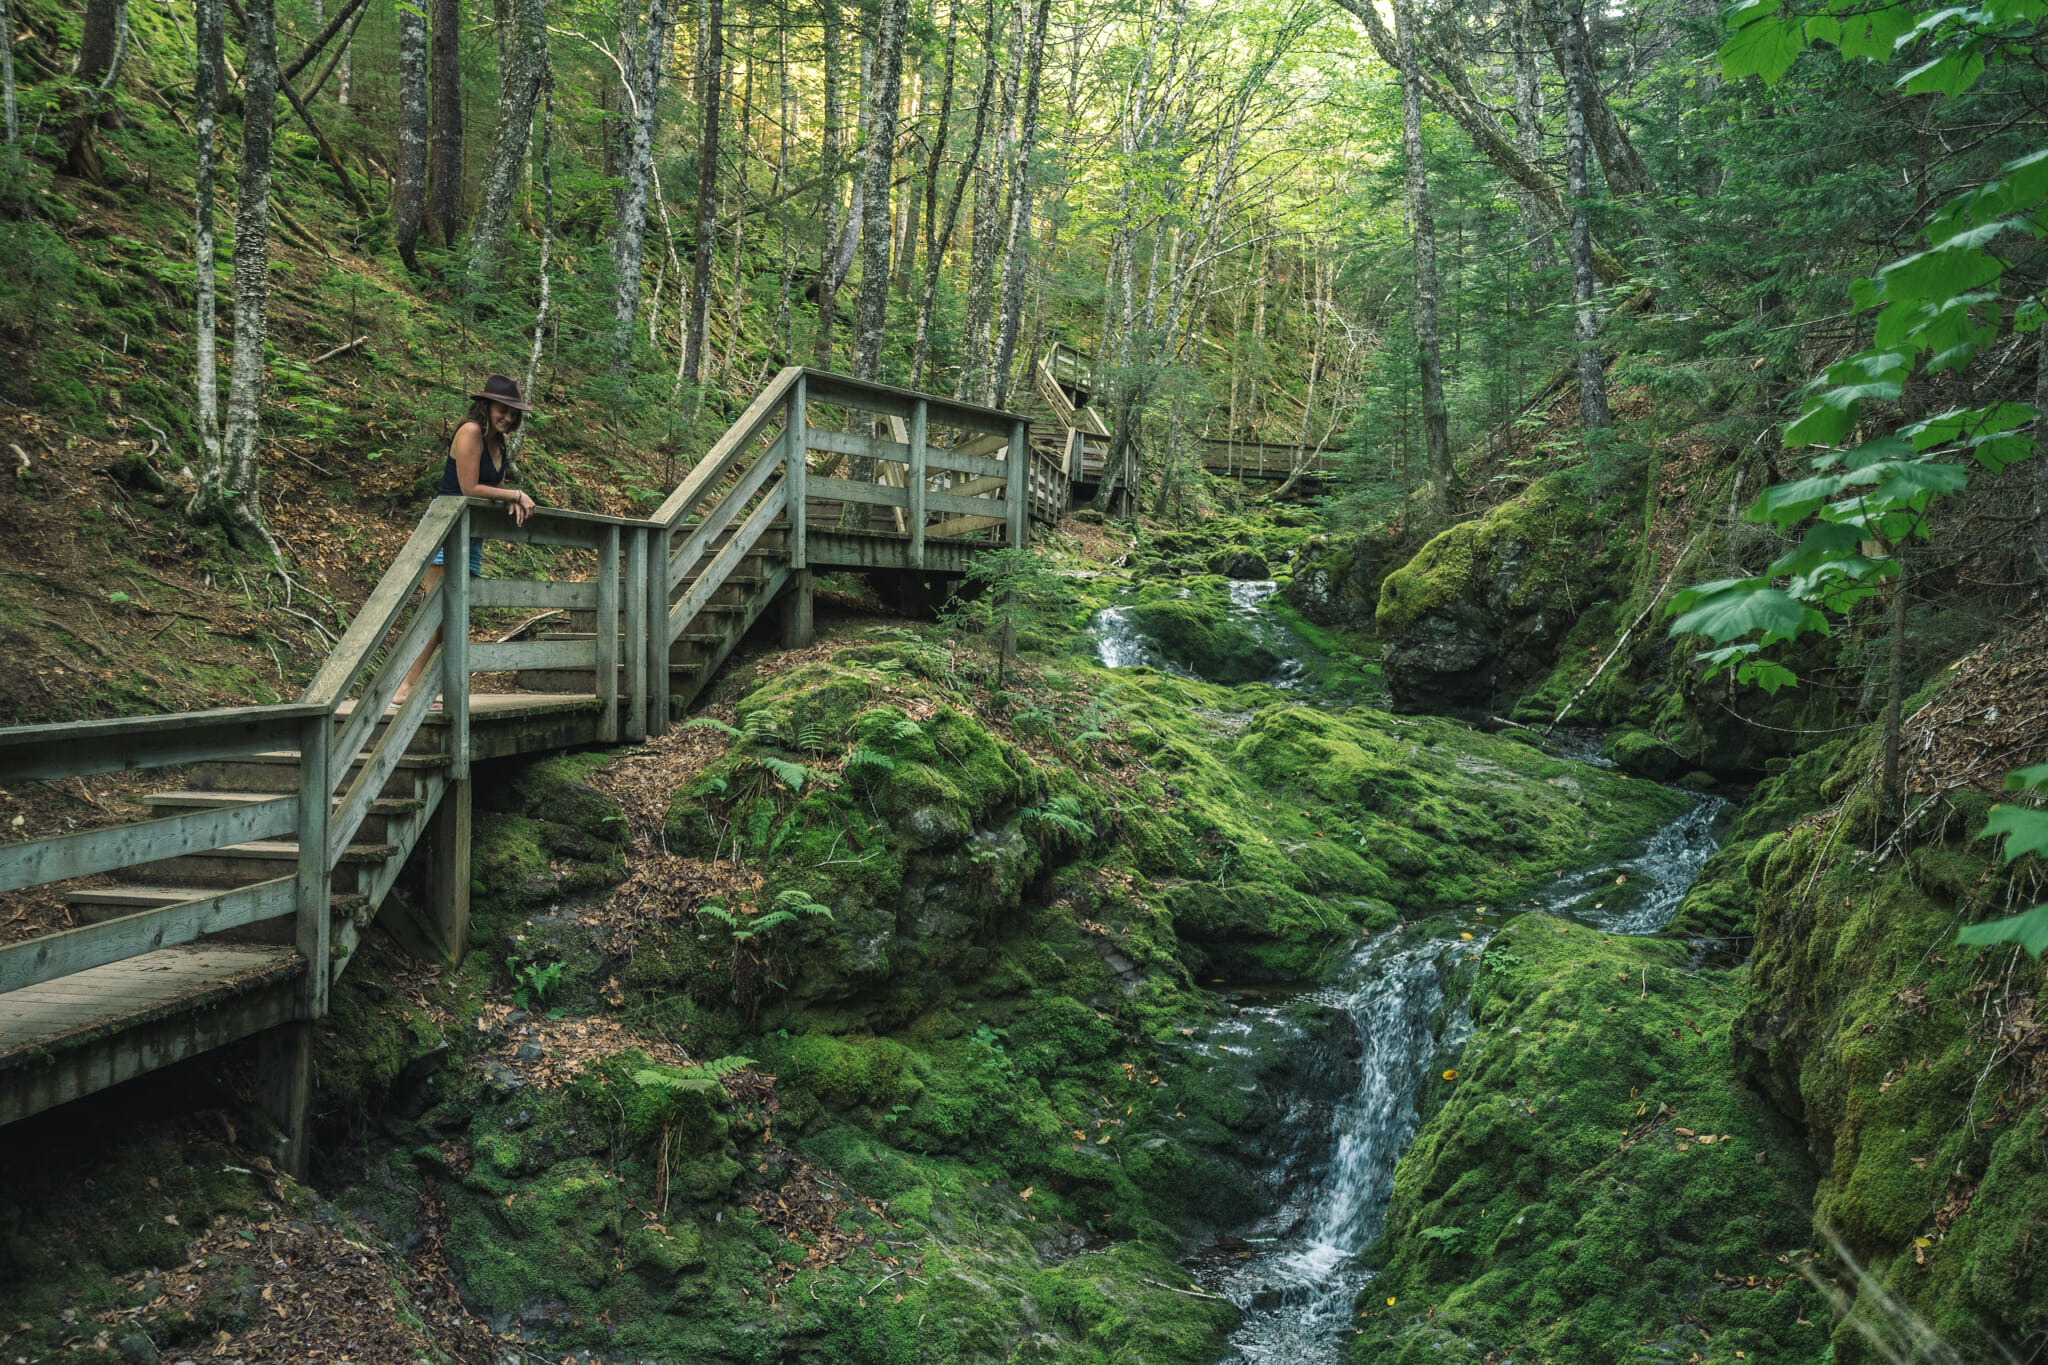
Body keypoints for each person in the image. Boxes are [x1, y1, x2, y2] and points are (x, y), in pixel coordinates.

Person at [393, 375, 539, 706]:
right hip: (445, 525)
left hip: (470, 534)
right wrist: (515, 492)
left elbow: (489, 491)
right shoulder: (470, 431)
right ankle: (405, 686)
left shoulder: (498, 443)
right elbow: (469, 487)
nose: (508, 418)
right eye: (503, 410)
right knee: (437, 612)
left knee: (453, 615)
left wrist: (508, 499)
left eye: (513, 413)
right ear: (487, 405)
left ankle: (425, 684)